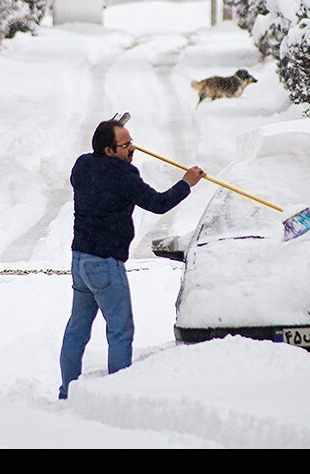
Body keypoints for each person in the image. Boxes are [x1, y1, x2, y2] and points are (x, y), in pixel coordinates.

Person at [58, 118, 206, 400]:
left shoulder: (82, 165)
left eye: (131, 142)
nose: (133, 149)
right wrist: (187, 182)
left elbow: (96, 164)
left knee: (77, 328)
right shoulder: (124, 176)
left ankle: (67, 391)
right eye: (125, 145)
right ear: (109, 150)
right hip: (106, 265)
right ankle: (118, 395)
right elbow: (159, 203)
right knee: (120, 331)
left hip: (80, 262)